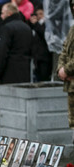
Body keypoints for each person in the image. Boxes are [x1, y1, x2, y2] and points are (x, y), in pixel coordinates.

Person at [0, 3, 32, 85]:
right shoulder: (27, 27)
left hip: (9, 71)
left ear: (9, 14)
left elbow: (1, 52)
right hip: (25, 70)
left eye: (3, 13)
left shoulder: (7, 28)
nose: (1, 16)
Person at [57, 1, 74, 133]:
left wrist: (66, 69)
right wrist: (60, 69)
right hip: (71, 84)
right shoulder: (72, 28)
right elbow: (64, 50)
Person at [30, 5, 52, 82]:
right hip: (37, 57)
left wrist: (36, 24)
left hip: (45, 57)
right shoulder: (35, 26)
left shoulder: (47, 24)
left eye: (41, 14)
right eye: (37, 14)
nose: (39, 16)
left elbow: (44, 34)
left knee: (44, 79)